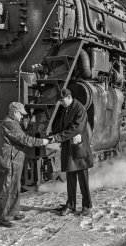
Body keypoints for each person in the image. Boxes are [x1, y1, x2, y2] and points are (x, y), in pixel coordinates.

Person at [0, 102, 49, 227]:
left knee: (15, 187)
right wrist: (42, 141)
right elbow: (24, 139)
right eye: (21, 114)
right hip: (9, 161)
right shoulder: (10, 124)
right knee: (7, 188)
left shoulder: (14, 123)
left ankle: (13, 212)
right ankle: (2, 217)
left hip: (15, 160)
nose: (22, 117)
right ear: (15, 112)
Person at [48, 88, 93, 216]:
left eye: (62, 100)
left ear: (69, 97)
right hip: (69, 147)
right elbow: (62, 127)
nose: (61, 103)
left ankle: (87, 205)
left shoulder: (79, 109)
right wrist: (53, 134)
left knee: (83, 180)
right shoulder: (66, 108)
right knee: (71, 178)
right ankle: (71, 205)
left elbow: (76, 128)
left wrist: (57, 137)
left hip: (79, 149)